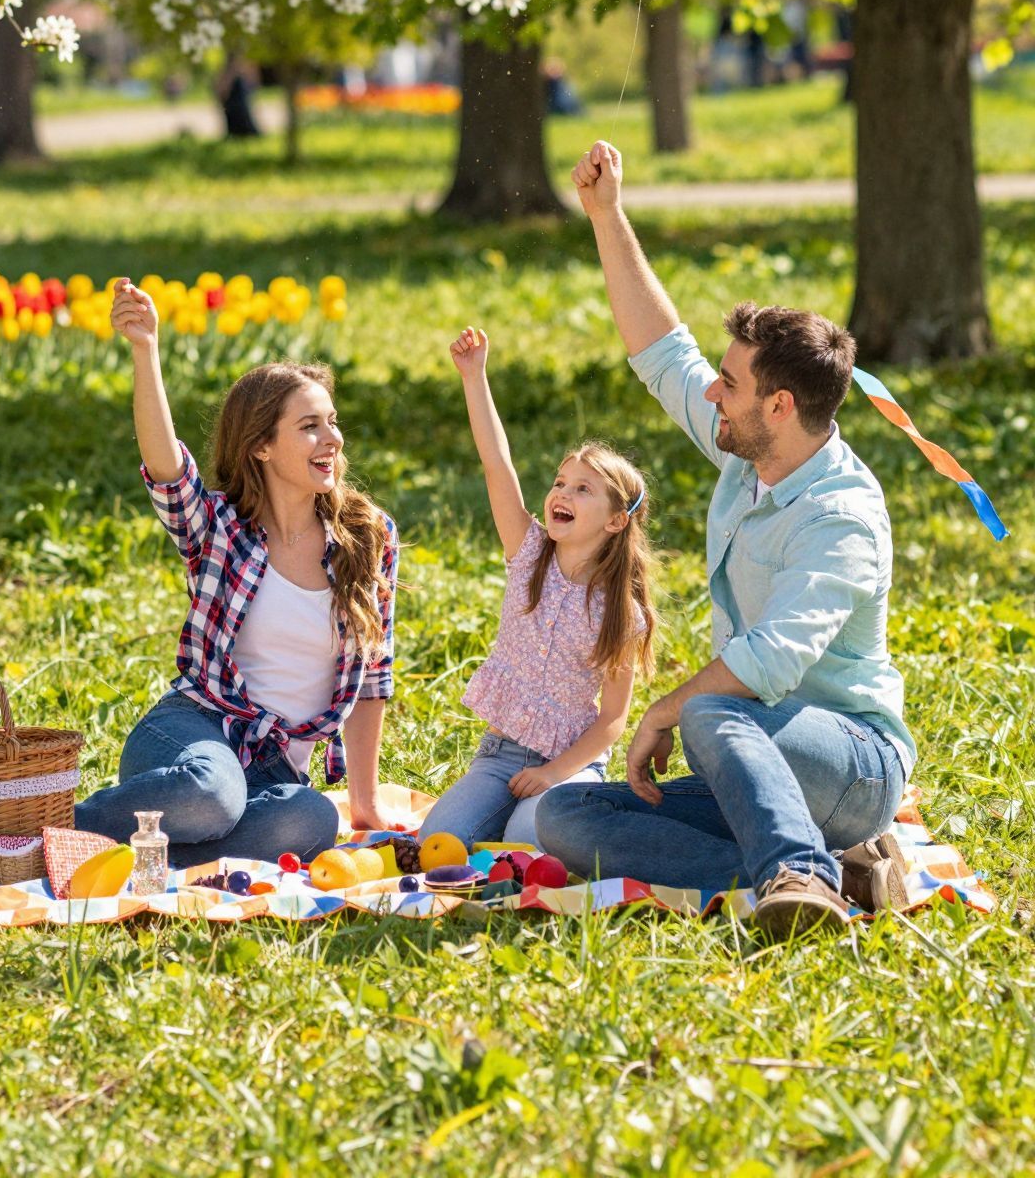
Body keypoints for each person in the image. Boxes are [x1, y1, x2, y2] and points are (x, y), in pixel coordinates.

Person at [536, 141, 915, 942]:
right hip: (745, 762)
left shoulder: (842, 516)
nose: (712, 388)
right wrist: (607, 216)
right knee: (569, 814)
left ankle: (801, 872)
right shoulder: (750, 456)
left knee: (713, 707)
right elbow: (661, 352)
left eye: (731, 384)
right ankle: (813, 874)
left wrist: (668, 711)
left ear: (778, 407)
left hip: (849, 765)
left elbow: (769, 664)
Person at [75, 280, 397, 864]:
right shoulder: (220, 528)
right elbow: (165, 468)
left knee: (312, 819)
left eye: (331, 422)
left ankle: (150, 856)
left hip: (276, 769)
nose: (333, 439)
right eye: (309, 427)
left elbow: (373, 679)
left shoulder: (367, 538)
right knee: (212, 797)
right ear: (261, 447)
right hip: (192, 734)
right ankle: (46, 826)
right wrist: (146, 350)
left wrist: (365, 803)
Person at [418, 325, 657, 851]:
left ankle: (573, 812)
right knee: (438, 842)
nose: (561, 493)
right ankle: (506, 815)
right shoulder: (528, 554)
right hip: (500, 754)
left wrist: (553, 774)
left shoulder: (621, 612)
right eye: (559, 482)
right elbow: (496, 465)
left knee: (533, 838)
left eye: (582, 489)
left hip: (572, 762)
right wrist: (475, 378)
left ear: (616, 522)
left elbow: (613, 718)